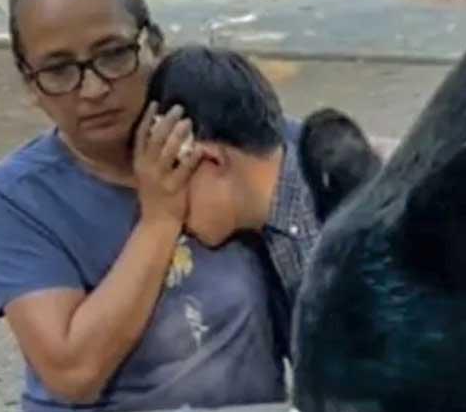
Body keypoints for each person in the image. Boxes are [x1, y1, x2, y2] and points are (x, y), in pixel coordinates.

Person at [0, 0, 286, 412]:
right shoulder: (19, 197)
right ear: (30, 84)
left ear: (152, 44)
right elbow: (72, 373)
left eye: (113, 54)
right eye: (59, 70)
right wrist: (159, 217)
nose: (94, 88)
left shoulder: (232, 139)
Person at [146, 46, 386, 355]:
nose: (168, 202)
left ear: (207, 160)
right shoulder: (274, 226)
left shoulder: (329, 227)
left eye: (170, 176)